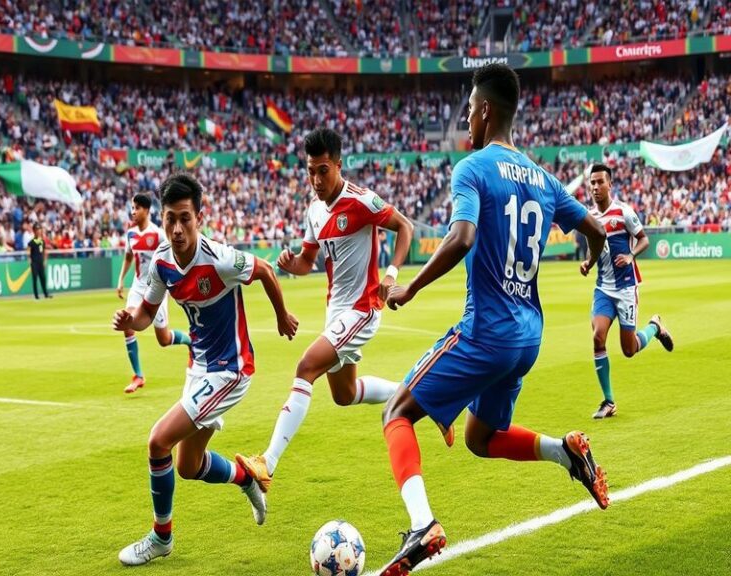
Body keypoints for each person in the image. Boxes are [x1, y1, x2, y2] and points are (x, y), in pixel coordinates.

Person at [377, 64, 609, 576]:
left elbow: (460, 238)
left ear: (484, 110)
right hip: (529, 335)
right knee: (482, 437)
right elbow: (595, 228)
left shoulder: (474, 168)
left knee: (396, 412)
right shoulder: (543, 178)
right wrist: (588, 258)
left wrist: (410, 287)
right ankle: (566, 453)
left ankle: (421, 525)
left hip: (487, 331)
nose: (466, 120)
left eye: (468, 110)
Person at [113, 173, 299, 566]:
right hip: (199, 368)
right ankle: (248, 478)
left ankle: (161, 539)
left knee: (157, 441)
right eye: (170, 220)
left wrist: (282, 316)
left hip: (230, 370)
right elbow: (147, 312)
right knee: (187, 465)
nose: (177, 229)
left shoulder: (220, 259)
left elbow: (265, 270)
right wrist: (131, 320)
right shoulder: (161, 262)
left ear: (200, 216)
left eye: (185, 218)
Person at [235, 128, 415, 494]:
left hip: (362, 309)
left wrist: (392, 273)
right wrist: (290, 263)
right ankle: (420, 396)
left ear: (338, 165)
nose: (316, 180)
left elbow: (405, 227)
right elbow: (307, 263)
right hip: (336, 313)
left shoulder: (361, 201)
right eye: (310, 171)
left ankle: (266, 464)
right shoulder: (315, 211)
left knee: (305, 368)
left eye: (323, 170)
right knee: (344, 394)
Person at [584, 164, 674, 419]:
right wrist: (587, 263)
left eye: (600, 182)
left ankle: (655, 326)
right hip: (603, 288)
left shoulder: (624, 212)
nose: (595, 187)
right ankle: (609, 401)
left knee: (629, 349)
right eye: (592, 183)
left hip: (625, 289)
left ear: (610, 184)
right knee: (598, 336)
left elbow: (644, 238)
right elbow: (594, 248)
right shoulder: (591, 218)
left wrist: (631, 254)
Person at [116, 192, 192, 394]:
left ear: (146, 211)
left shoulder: (158, 234)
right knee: (128, 322)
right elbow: (128, 258)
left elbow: (172, 256)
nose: (133, 212)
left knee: (164, 339)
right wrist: (120, 281)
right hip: (138, 286)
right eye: (132, 208)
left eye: (136, 208)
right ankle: (138, 375)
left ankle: (191, 342)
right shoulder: (131, 234)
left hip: (157, 288)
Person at [28, 223, 51, 299]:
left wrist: (45, 260)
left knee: (43, 278)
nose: (38, 231)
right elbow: (28, 252)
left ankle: (46, 294)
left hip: (41, 262)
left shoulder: (42, 241)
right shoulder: (31, 242)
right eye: (37, 230)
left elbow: (45, 251)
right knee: (35, 278)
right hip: (34, 263)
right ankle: (36, 295)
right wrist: (30, 261)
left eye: (39, 229)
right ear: (34, 231)